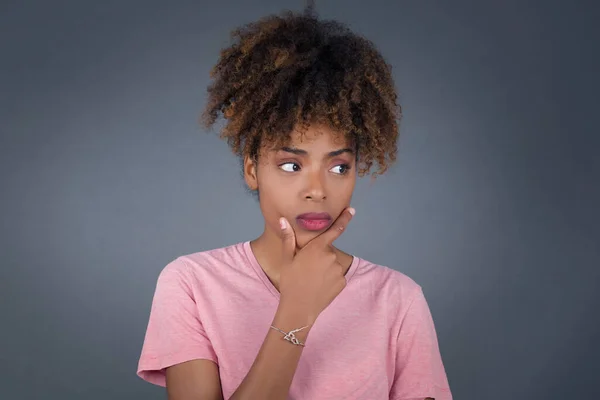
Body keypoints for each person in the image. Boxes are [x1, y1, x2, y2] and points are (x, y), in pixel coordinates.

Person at [137, 8, 452, 400]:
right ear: (253, 170)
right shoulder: (191, 284)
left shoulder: (398, 299)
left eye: (339, 167)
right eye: (291, 164)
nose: (317, 190)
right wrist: (297, 312)